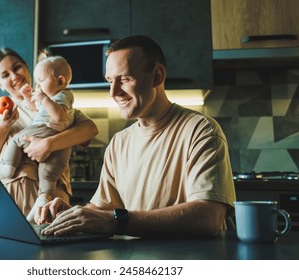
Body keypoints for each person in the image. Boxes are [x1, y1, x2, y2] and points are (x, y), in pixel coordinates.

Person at [37, 35, 236, 238]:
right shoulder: (119, 143)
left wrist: (117, 222)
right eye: (109, 81)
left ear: (157, 76)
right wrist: (72, 214)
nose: (114, 92)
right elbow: (103, 211)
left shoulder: (201, 130)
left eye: (124, 79)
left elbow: (209, 218)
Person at [0, 48, 98, 222]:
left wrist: (49, 144)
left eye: (17, 68)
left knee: (52, 248)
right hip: (9, 198)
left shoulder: (53, 102)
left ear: (27, 68)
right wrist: (1, 129)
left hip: (53, 198)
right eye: (5, 75)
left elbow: (89, 130)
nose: (14, 76)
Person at [0, 55, 75, 212]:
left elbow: (60, 116)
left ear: (60, 81)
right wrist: (28, 97)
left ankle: (8, 167)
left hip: (47, 132)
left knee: (17, 140)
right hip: (16, 195)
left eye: (42, 81)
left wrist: (43, 98)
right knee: (48, 176)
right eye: (5, 75)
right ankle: (43, 200)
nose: (38, 86)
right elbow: (37, 109)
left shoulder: (62, 96)